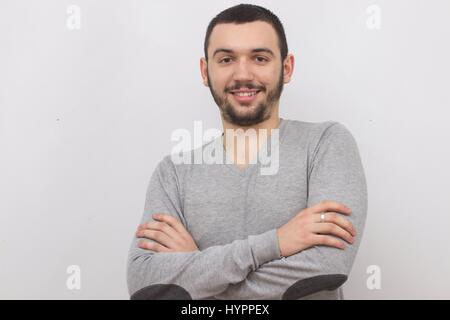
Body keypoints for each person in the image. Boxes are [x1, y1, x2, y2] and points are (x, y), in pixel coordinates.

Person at [127, 4, 367, 300]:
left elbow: (325, 269)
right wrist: (276, 242)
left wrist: (198, 272)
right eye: (226, 59)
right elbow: (144, 284)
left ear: (286, 67)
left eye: (259, 58)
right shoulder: (173, 173)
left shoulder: (326, 144)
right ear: (206, 71)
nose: (243, 74)